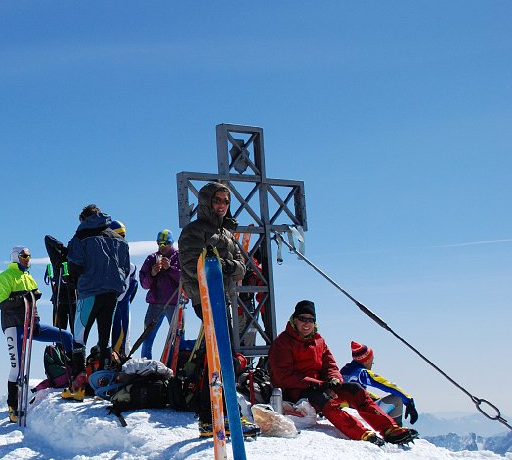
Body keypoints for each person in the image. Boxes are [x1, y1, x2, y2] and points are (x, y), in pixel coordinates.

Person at [268, 300, 418, 445]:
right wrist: (319, 384)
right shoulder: (283, 343)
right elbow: (283, 376)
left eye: (310, 320)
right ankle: (361, 433)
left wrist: (334, 379)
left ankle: (389, 429)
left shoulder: (319, 341)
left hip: (319, 386)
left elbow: (330, 366)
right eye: (302, 319)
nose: (307, 323)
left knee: (355, 389)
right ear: (294, 320)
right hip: (295, 392)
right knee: (323, 398)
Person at [0, 246, 74, 422]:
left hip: (32, 324)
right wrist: (25, 296)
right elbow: (2, 303)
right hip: (14, 326)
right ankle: (13, 407)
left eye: (29, 256)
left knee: (66, 337)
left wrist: (33, 296)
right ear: (16, 257)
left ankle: (73, 379)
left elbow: (32, 297)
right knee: (18, 367)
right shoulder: (3, 277)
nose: (27, 259)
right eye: (24, 256)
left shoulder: (27, 276)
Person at [64, 204, 131, 399]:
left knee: (79, 336)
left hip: (90, 291)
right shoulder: (118, 238)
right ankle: (103, 383)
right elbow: (125, 268)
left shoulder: (81, 236)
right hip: (112, 291)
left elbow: (75, 265)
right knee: (104, 337)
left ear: (84, 218)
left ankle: (79, 386)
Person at [179, 181, 246, 319]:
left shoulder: (227, 234)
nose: (222, 205)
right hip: (204, 297)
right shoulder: (193, 230)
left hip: (224, 296)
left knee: (222, 340)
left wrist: (227, 266)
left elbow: (242, 268)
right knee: (219, 338)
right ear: (206, 202)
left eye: (226, 202)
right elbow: (192, 266)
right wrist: (217, 266)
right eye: (217, 200)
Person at [341, 341, 419, 426]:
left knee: (378, 400)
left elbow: (356, 392)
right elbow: (388, 385)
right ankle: (397, 431)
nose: (372, 364)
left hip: (344, 409)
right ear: (366, 360)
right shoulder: (362, 373)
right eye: (372, 360)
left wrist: (375, 398)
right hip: (358, 413)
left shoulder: (344, 371)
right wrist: (409, 401)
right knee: (397, 399)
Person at [138, 229, 181, 359]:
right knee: (147, 339)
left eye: (166, 243)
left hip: (174, 303)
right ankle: (146, 367)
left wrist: (170, 269)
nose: (162, 246)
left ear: (172, 242)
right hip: (155, 303)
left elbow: (185, 280)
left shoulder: (179, 257)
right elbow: (144, 284)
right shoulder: (151, 258)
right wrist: (152, 274)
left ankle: (177, 367)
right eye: (159, 243)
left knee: (178, 340)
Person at [108, 220, 138, 356]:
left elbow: (128, 291)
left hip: (120, 302)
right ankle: (115, 356)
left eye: (122, 236)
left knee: (123, 334)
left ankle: (122, 355)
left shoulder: (129, 264)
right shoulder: (109, 256)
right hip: (113, 301)